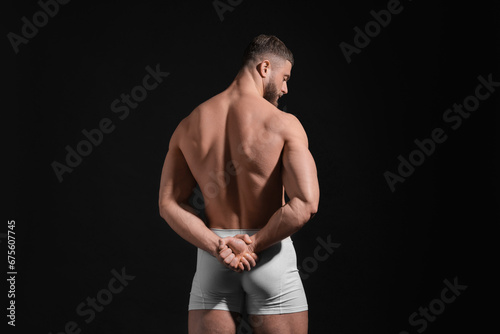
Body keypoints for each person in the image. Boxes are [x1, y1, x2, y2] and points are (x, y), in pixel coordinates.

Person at [158, 34, 319, 334]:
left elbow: (168, 204)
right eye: (284, 77)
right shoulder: (285, 124)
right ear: (264, 67)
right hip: (269, 254)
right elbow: (306, 204)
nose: (285, 88)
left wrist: (219, 246)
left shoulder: (189, 123)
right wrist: (254, 244)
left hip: (214, 258)